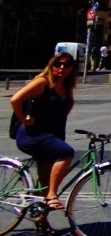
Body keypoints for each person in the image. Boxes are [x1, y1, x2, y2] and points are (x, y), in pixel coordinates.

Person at [9, 53, 78, 210]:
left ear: (71, 68)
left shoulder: (67, 86)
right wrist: (24, 120)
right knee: (66, 152)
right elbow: (15, 99)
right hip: (33, 135)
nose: (62, 67)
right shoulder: (43, 82)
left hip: (52, 135)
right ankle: (52, 195)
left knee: (46, 181)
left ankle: (41, 217)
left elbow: (66, 107)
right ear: (51, 66)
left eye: (67, 65)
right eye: (58, 64)